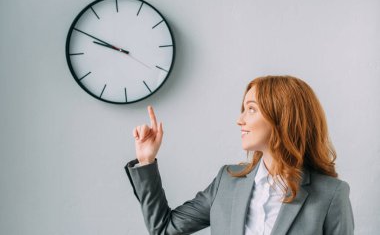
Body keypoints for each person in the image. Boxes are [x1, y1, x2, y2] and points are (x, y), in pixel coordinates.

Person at [124, 75, 354, 235]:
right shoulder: (227, 181)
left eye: (251, 109)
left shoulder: (331, 194)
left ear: (283, 117)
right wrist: (146, 161)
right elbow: (163, 228)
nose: (240, 119)